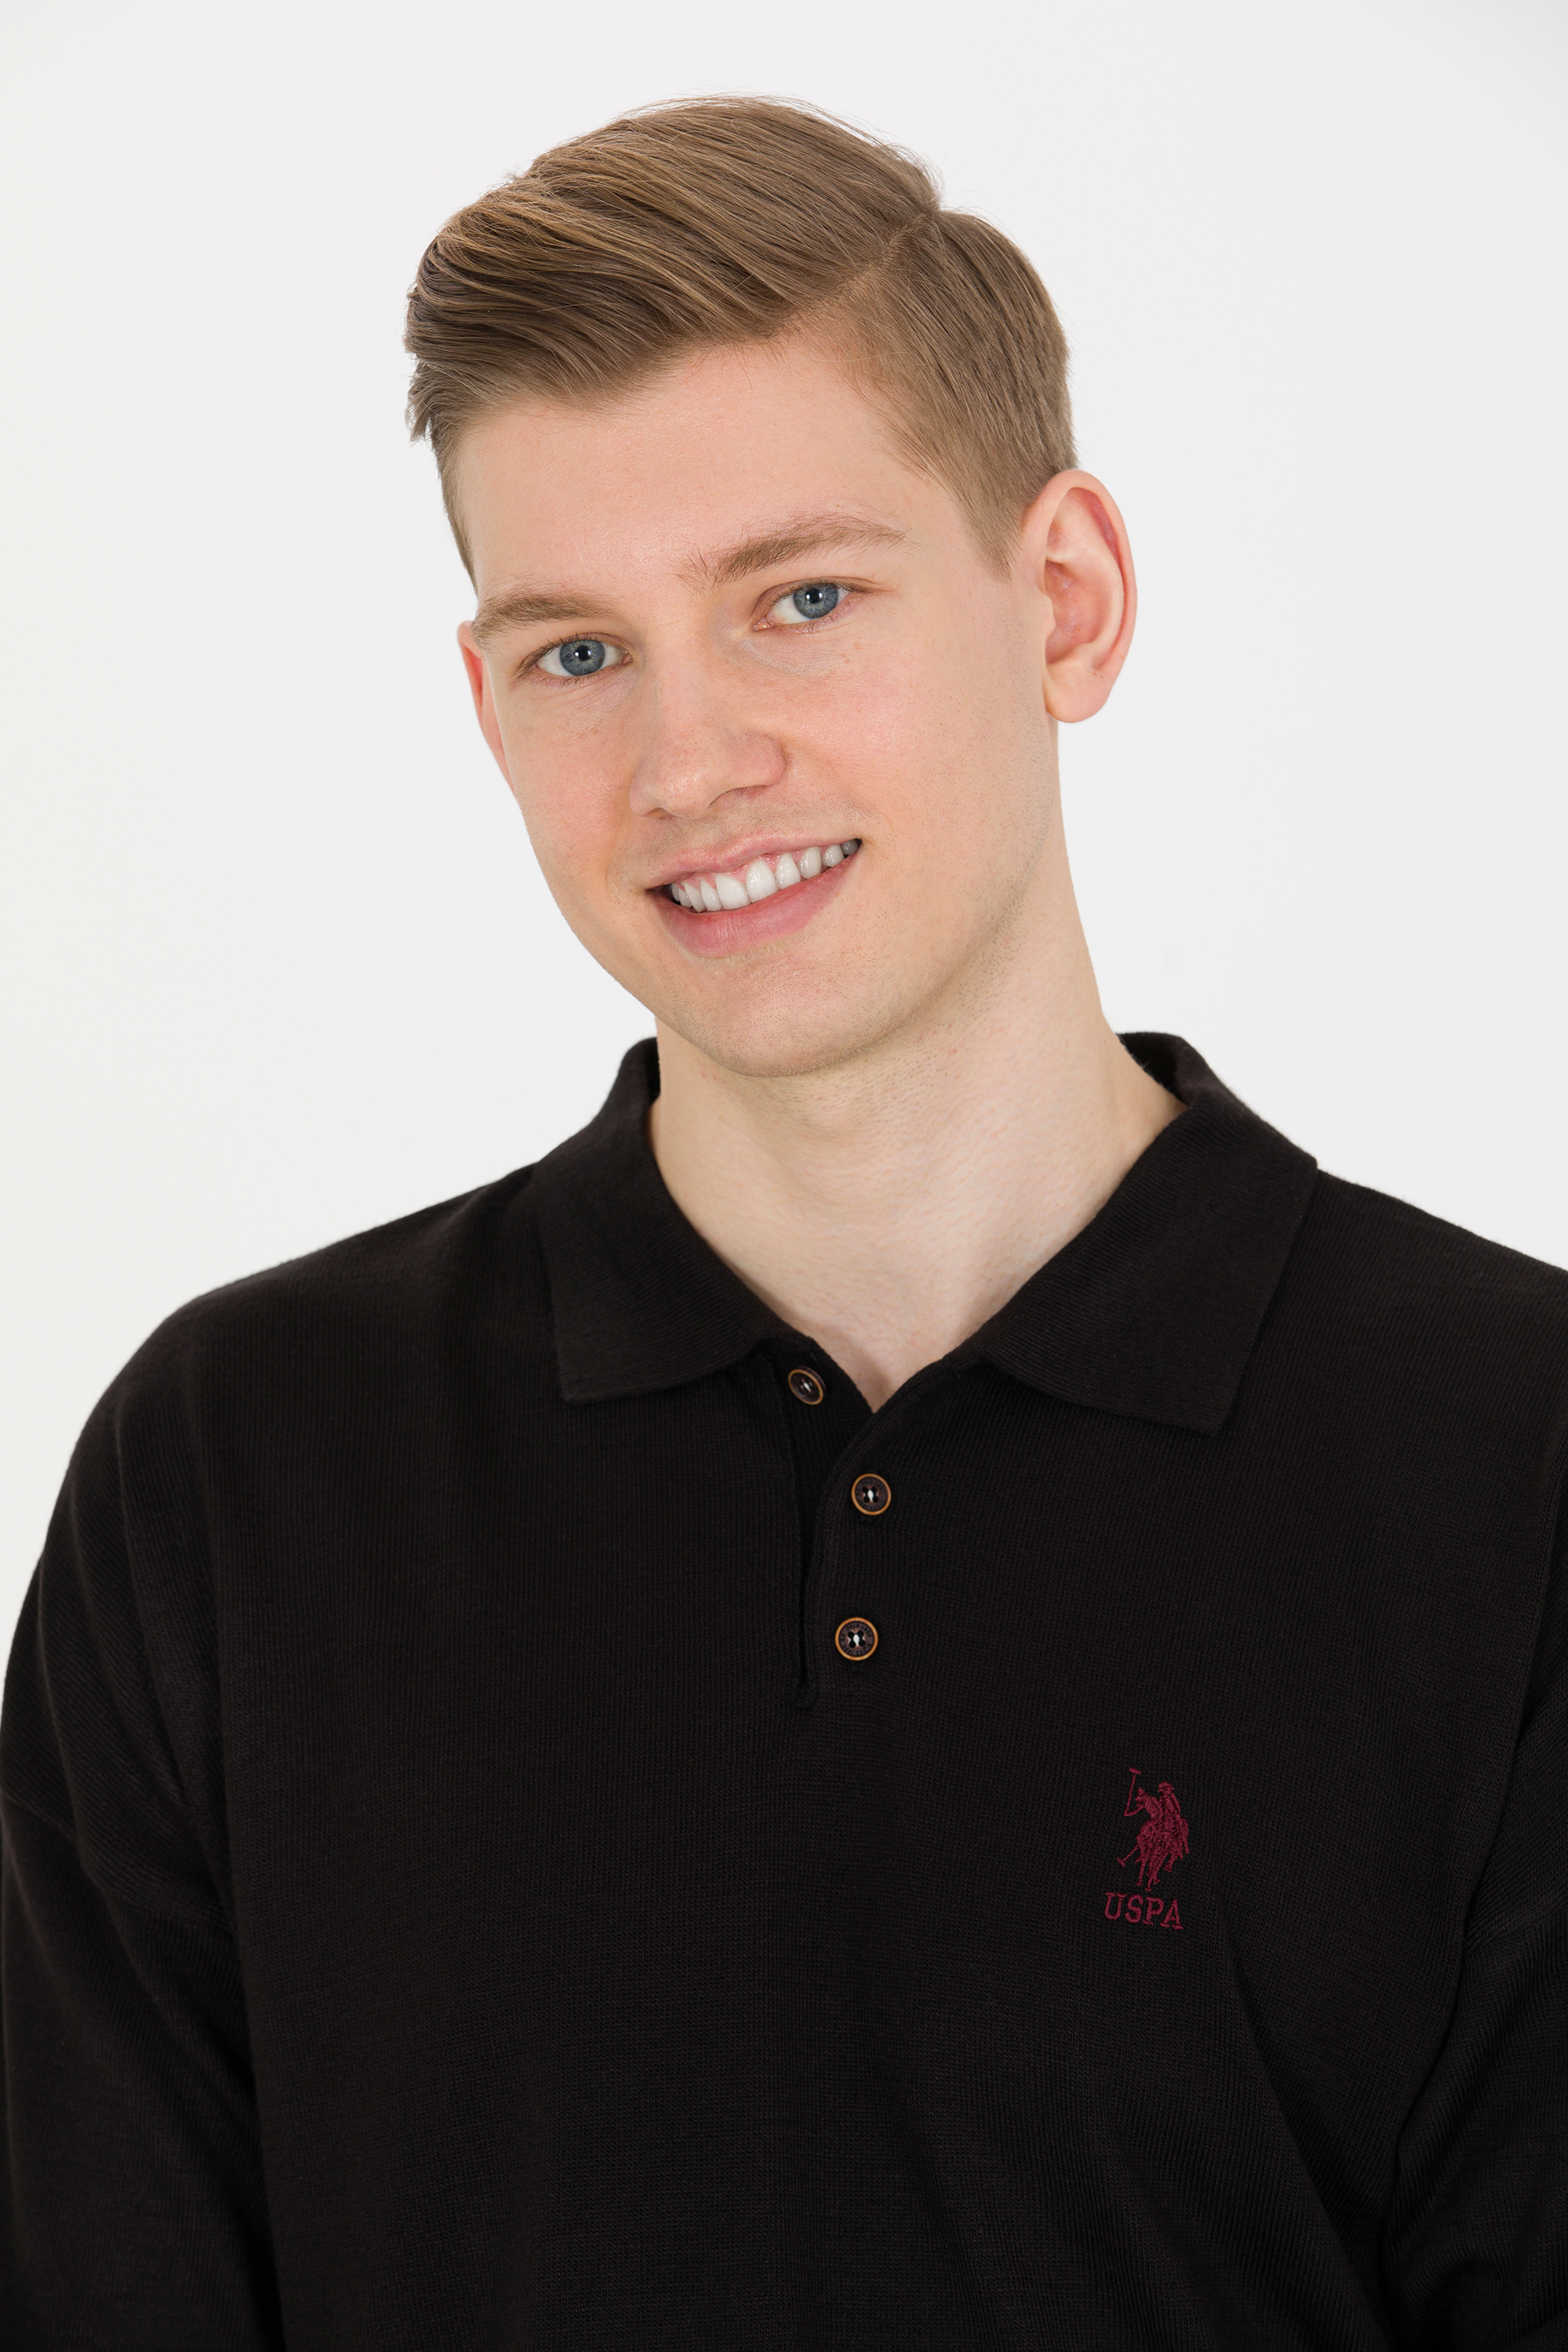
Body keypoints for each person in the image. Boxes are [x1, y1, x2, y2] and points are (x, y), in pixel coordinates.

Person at [2, 94, 1563, 2351]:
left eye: (801, 601)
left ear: (1064, 599)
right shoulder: (232, 1471)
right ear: (483, 704)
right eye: (577, 652)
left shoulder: (1513, 1468)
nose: (687, 764)